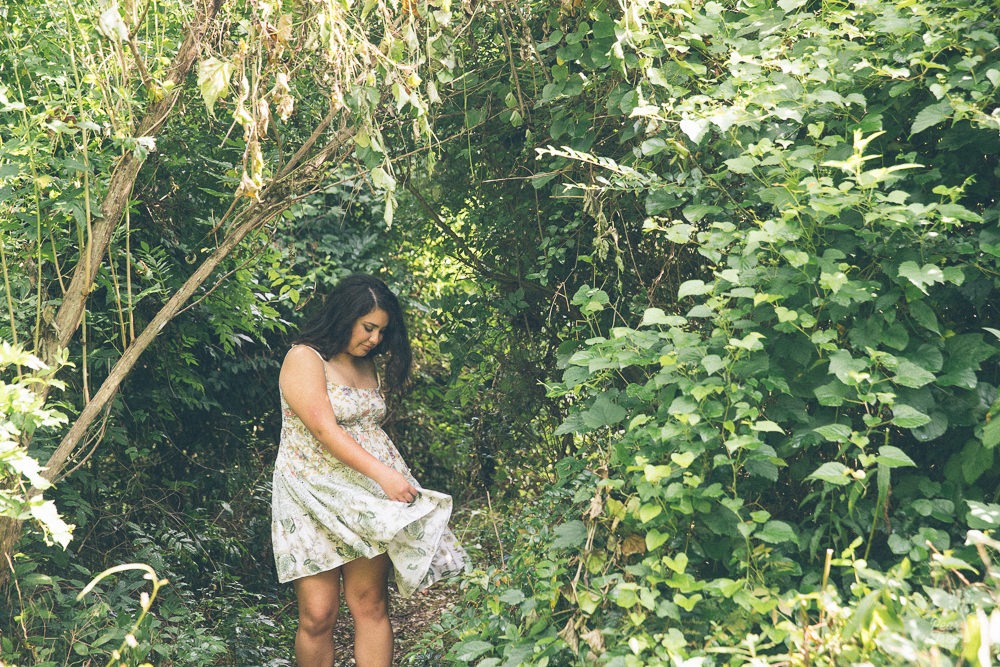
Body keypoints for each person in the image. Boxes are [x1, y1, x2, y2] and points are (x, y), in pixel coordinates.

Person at [271, 274, 465, 667]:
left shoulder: (366, 364)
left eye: (382, 331)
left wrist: (385, 479)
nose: (375, 339)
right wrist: (385, 475)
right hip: (311, 493)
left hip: (365, 498)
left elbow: (367, 427)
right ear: (345, 317)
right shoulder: (304, 357)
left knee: (370, 604)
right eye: (368, 327)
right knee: (318, 614)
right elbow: (325, 429)